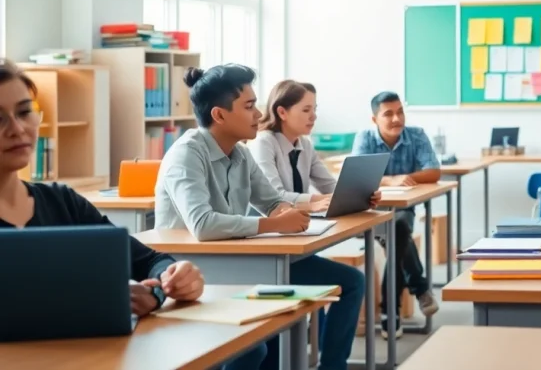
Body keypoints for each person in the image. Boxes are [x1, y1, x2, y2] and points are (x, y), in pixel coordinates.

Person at [154, 64, 366, 370]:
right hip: (197, 274)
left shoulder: (240, 154)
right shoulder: (186, 154)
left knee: (342, 285)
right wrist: (274, 223)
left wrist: (285, 212)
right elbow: (203, 225)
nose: (258, 114)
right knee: (260, 342)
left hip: (242, 262)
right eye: (249, 106)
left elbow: (272, 201)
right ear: (219, 115)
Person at [0, 59, 204, 318]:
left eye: (24, 112)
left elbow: (150, 261)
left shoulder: (64, 203)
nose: (17, 129)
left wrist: (168, 283)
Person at [350, 91, 440, 339]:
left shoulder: (416, 135)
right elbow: (357, 176)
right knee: (398, 234)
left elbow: (433, 171)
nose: (396, 118)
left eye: (400, 112)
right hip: (369, 210)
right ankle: (419, 287)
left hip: (402, 210)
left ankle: (390, 311)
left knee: (398, 229)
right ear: (374, 119)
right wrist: (391, 180)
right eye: (388, 114)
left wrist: (405, 178)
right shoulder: (365, 138)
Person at [249, 80, 357, 212]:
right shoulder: (263, 142)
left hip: (298, 218)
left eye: (314, 109)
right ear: (282, 112)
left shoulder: (305, 144)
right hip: (268, 220)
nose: (314, 116)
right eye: (306, 110)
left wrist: (356, 196)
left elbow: (329, 185)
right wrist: (320, 200)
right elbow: (275, 196)